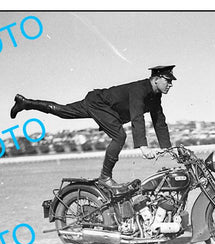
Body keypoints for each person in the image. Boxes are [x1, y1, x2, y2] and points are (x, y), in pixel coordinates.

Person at [10, 65, 176, 191]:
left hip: (99, 103)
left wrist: (168, 148)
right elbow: (137, 117)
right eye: (168, 81)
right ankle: (105, 177)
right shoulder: (140, 89)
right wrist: (143, 147)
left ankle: (25, 103)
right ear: (156, 79)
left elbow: (159, 121)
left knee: (62, 111)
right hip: (99, 103)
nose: (170, 85)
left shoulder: (155, 96)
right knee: (119, 136)